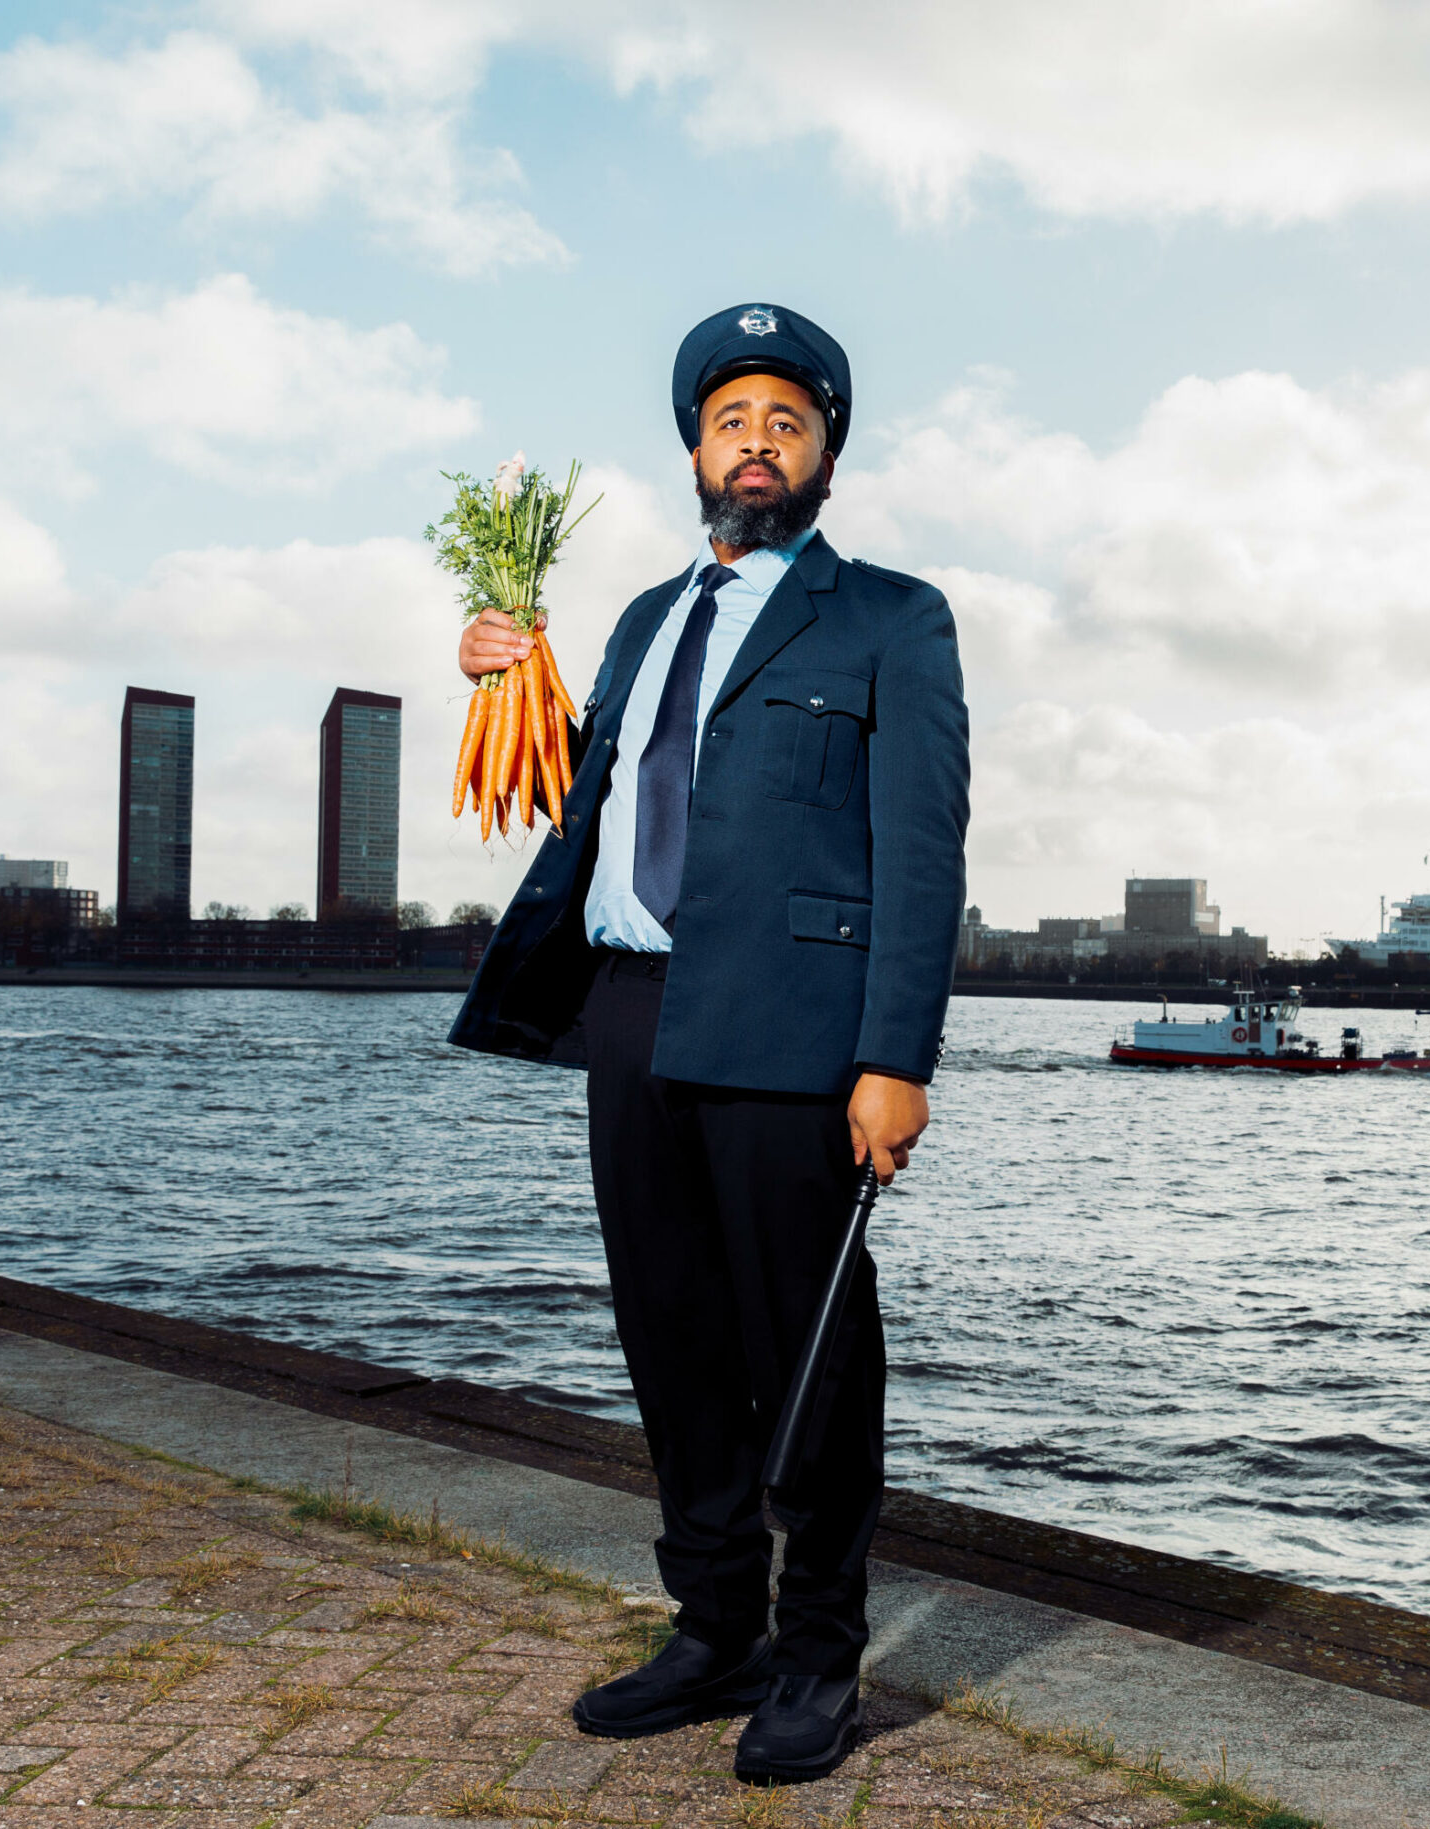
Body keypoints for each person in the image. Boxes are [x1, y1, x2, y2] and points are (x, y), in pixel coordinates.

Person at [449, 302, 970, 1784]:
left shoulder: (888, 617)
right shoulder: (636, 621)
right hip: (630, 1010)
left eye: (788, 424)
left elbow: (922, 849)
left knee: (806, 1354)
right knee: (670, 1335)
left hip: (797, 1032)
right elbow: (585, 791)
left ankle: (815, 1659)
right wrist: (501, 671)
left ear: (823, 458)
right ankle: (715, 1626)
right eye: (733, 420)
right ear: (694, 446)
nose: (758, 444)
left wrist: (898, 1057)